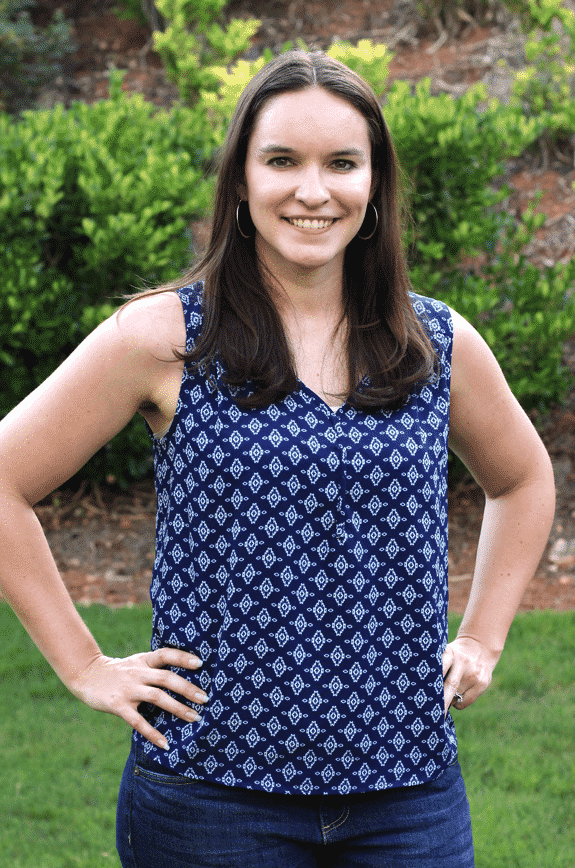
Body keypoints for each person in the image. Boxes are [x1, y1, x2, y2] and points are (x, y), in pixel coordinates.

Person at [0, 50, 555, 868]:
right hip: (209, 795)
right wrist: (85, 665)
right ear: (239, 183)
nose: (311, 190)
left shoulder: (434, 340)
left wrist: (481, 639)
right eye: (281, 161)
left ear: (373, 188)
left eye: (341, 163)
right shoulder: (165, 338)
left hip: (406, 793)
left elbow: (521, 478)